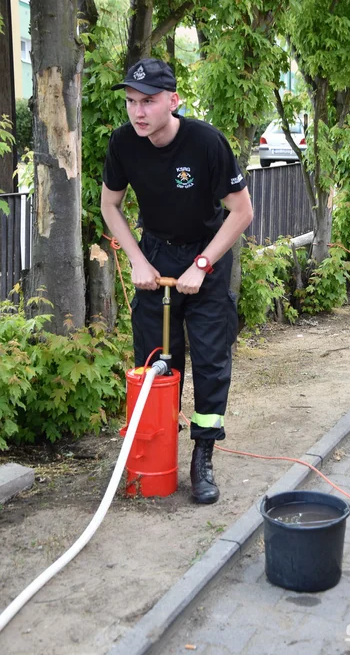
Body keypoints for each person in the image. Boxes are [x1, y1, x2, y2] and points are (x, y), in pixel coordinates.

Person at [101, 58, 253, 505]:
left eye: (148, 101)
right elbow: (110, 206)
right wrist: (137, 260)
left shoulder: (205, 142)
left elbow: (242, 212)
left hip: (206, 252)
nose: (138, 112)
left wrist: (202, 265)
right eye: (131, 101)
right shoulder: (124, 144)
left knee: (209, 360)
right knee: (155, 362)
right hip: (157, 254)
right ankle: (155, 448)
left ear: (173, 100)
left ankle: (202, 457)